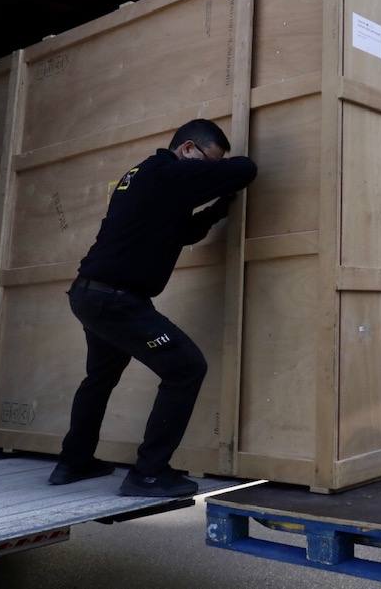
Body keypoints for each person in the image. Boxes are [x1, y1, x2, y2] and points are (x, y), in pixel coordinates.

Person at [49, 119, 257, 498]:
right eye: (208, 161)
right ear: (188, 149)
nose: (210, 170)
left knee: (100, 377)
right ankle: (148, 473)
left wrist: (217, 210)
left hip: (93, 296)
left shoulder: (147, 177)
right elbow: (245, 169)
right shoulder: (165, 171)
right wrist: (223, 178)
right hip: (115, 300)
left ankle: (73, 462)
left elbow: (182, 232)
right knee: (186, 368)